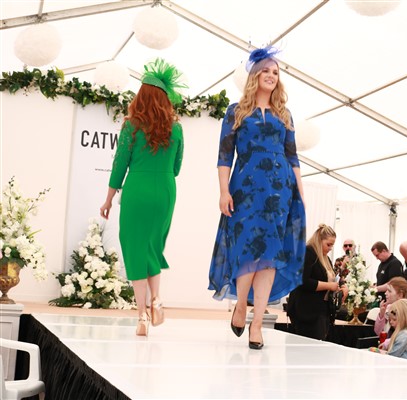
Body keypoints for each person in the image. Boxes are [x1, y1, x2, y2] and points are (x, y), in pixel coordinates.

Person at [208, 46, 306, 350]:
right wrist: (223, 191)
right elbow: (225, 156)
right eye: (266, 70)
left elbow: (293, 157)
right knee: (248, 253)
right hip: (245, 191)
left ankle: (258, 322)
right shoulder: (235, 111)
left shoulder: (284, 114)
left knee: (270, 258)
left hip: (280, 191)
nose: (271, 76)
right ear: (254, 75)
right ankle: (241, 306)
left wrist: (300, 194)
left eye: (276, 72)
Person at [100, 58, 185, 336]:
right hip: (165, 192)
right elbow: (176, 168)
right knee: (153, 247)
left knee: (135, 247)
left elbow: (119, 165)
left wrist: (108, 199)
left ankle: (142, 316)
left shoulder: (131, 125)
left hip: (137, 189)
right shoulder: (176, 128)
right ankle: (157, 299)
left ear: (141, 96)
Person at [286, 224, 348, 340]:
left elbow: (331, 279)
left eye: (332, 245)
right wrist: (329, 286)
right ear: (319, 240)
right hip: (306, 311)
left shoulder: (325, 258)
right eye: (328, 244)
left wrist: (341, 287)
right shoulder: (308, 252)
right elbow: (303, 281)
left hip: (321, 310)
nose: (330, 248)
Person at [374, 276, 407, 351]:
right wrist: (381, 315)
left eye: (389, 291)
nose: (385, 293)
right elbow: (378, 332)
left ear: (400, 295)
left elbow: (403, 338)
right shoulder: (388, 308)